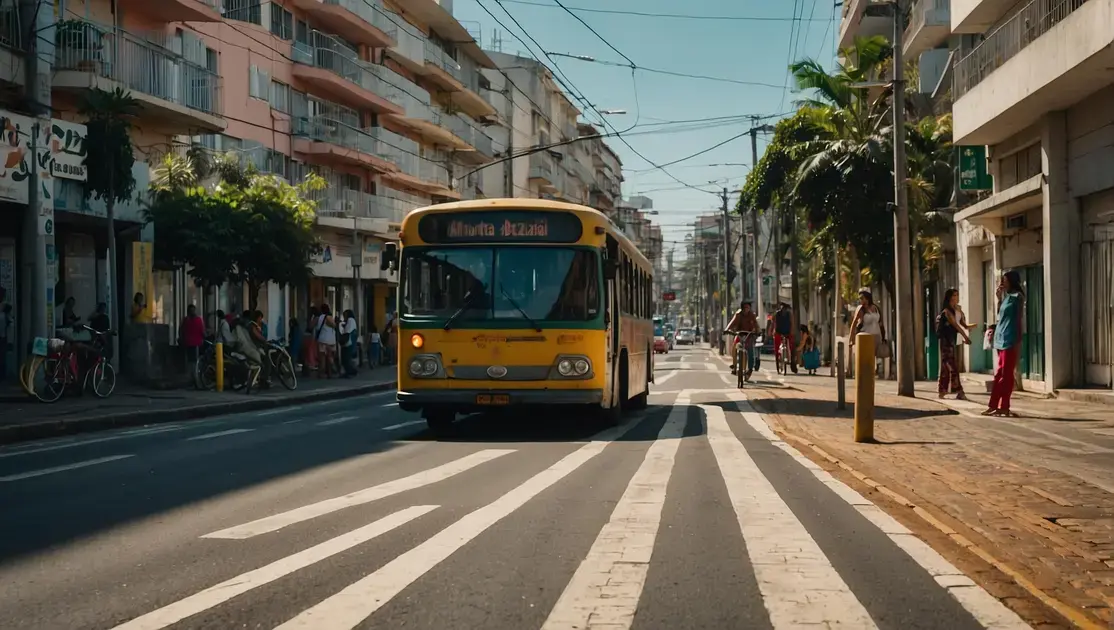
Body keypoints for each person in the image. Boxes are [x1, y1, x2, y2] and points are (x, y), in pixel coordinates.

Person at [984, 271, 1024, 417]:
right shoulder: (1006, 298)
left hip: (1010, 339)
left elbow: (1018, 319)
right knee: (999, 374)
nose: (1003, 283)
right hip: (1000, 339)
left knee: (1005, 375)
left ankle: (1003, 406)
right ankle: (994, 405)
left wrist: (1018, 340)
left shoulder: (1018, 297)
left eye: (1005, 280)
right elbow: (1001, 316)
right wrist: (999, 299)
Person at [936, 289, 971, 400]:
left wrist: (969, 326)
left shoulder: (957, 309)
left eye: (957, 295)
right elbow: (955, 325)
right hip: (946, 341)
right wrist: (965, 337)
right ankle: (959, 390)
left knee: (946, 367)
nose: (957, 297)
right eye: (954, 295)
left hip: (952, 340)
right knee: (952, 366)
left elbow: (963, 324)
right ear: (950, 297)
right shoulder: (946, 311)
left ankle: (942, 390)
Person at [848, 289, 886, 373]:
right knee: (867, 357)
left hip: (876, 335)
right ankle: (867, 373)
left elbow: (881, 323)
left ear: (867, 298)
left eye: (862, 298)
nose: (861, 300)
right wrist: (851, 339)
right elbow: (854, 324)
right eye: (859, 299)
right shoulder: (860, 309)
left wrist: (883, 337)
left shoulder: (876, 308)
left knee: (877, 356)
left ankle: (875, 372)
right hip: (865, 336)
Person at [724, 301, 759, 375]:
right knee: (734, 346)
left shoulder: (752, 315)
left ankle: (750, 369)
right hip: (739, 333)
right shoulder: (738, 314)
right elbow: (732, 323)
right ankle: (734, 366)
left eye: (748, 308)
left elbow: (756, 324)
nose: (747, 309)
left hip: (748, 335)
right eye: (745, 307)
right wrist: (727, 329)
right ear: (742, 308)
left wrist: (758, 331)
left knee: (750, 351)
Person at [315, 304, 338, 378]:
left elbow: (311, 326)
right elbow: (334, 325)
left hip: (321, 339)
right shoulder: (328, 317)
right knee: (330, 356)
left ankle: (321, 373)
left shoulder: (318, 318)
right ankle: (329, 373)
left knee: (322, 357)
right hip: (330, 340)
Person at [773, 303, 797, 373]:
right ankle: (778, 359)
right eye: (782, 308)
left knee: (792, 346)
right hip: (778, 332)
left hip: (787, 332)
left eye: (785, 308)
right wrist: (774, 330)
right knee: (777, 347)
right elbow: (774, 323)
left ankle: (793, 362)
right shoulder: (777, 314)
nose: (783, 310)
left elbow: (792, 323)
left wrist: (792, 332)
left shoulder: (789, 314)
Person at [339, 309, 358, 377]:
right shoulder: (351, 321)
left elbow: (347, 331)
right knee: (346, 358)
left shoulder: (350, 320)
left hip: (348, 342)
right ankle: (350, 371)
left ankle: (349, 372)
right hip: (349, 342)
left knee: (345, 358)